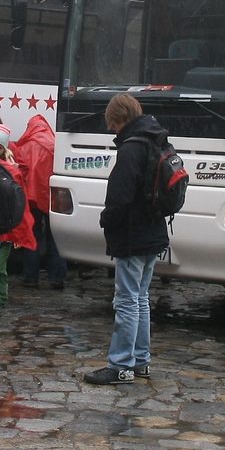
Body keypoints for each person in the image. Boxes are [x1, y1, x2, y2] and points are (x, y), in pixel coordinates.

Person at [83, 94, 170, 386]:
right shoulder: (157, 140)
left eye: (112, 123)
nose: (112, 129)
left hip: (133, 234)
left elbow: (120, 197)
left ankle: (120, 365)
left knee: (127, 300)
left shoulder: (132, 147)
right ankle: (141, 360)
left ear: (119, 119)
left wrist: (106, 220)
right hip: (154, 231)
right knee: (140, 298)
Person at [0, 123, 35, 309]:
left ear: (4, 149)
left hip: (5, 230)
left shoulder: (11, 169)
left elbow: (18, 202)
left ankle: (0, 297)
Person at [14, 114, 64, 290]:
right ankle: (57, 277)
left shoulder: (24, 146)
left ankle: (30, 277)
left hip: (32, 198)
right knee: (55, 237)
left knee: (32, 236)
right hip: (54, 198)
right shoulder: (55, 145)